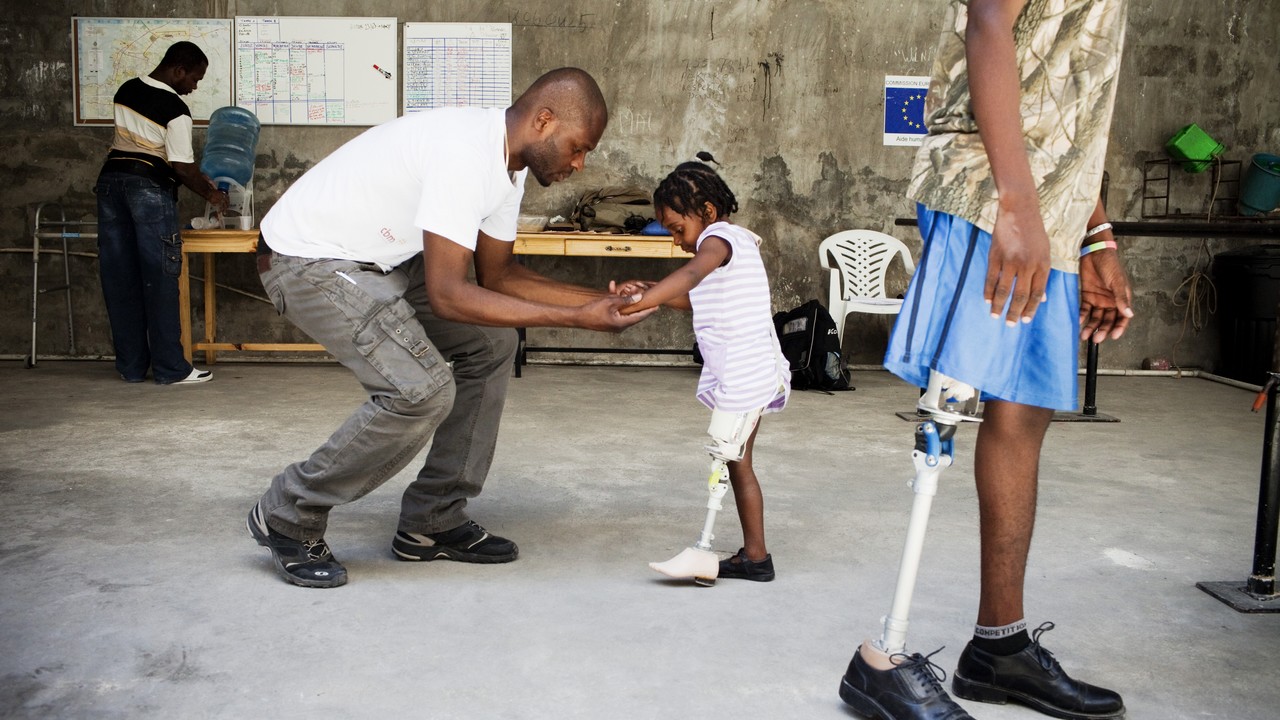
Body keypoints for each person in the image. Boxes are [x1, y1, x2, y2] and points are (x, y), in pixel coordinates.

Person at [839, 1, 1134, 719]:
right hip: (990, 192)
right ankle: (882, 656)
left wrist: (1094, 237)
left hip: (1052, 210)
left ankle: (997, 649)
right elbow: (989, 24)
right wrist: (1016, 204)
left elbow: (1071, 91)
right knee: (949, 402)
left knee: (1025, 411)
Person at [248, 67, 653, 589]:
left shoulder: (510, 166)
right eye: (579, 148)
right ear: (544, 120)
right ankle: (287, 512)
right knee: (419, 392)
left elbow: (498, 275)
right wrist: (577, 317)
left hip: (382, 261)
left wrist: (602, 301)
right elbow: (449, 294)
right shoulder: (465, 151)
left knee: (492, 344)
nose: (579, 163)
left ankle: (433, 519)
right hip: (308, 260)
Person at [617, 159, 790, 583]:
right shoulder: (723, 246)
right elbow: (695, 298)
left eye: (677, 229)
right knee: (738, 461)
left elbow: (692, 274)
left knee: (727, 456)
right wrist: (649, 293)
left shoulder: (719, 238)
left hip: (747, 374)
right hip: (744, 370)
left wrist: (637, 303)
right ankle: (755, 557)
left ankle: (712, 550)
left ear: (708, 212)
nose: (676, 242)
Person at [94, 41, 229, 384]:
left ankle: (132, 367)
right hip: (149, 191)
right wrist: (211, 193)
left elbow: (137, 142)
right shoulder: (176, 109)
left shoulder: (126, 89)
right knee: (161, 278)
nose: (194, 87)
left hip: (110, 185)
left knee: (120, 278)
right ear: (178, 70)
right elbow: (182, 167)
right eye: (195, 79)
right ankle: (171, 369)